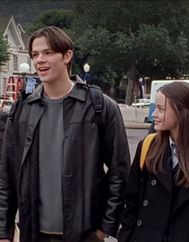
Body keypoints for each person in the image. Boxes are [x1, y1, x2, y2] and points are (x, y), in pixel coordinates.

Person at [0, 26, 130, 242]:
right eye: (35, 54)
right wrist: (4, 231)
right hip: (33, 233)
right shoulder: (22, 108)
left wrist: (104, 227)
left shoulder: (100, 107)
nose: (39, 60)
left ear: (67, 55)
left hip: (85, 235)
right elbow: (6, 174)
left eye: (48, 53)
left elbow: (120, 171)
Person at [118, 81, 189, 242]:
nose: (154, 114)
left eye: (161, 109)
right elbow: (130, 203)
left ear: (181, 112)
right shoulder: (147, 147)